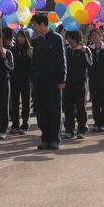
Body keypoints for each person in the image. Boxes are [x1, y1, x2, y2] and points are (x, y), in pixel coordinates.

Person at [29, 13, 67, 150]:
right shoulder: (37, 41)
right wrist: (32, 79)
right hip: (39, 81)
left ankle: (55, 139)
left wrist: (61, 79)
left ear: (42, 24)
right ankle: (44, 138)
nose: (34, 28)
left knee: (54, 110)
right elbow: (34, 62)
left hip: (53, 82)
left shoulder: (57, 39)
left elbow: (61, 60)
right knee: (42, 111)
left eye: (35, 25)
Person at [63, 30, 93, 139]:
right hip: (68, 83)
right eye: (68, 38)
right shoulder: (66, 51)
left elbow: (89, 64)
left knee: (81, 107)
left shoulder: (84, 49)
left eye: (71, 38)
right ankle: (69, 130)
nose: (69, 41)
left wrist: (83, 52)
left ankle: (82, 129)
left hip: (80, 83)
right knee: (68, 107)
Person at [10, 29, 33, 134]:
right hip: (14, 80)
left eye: (22, 36)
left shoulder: (30, 50)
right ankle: (15, 125)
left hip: (26, 80)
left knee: (25, 103)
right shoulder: (13, 50)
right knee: (14, 103)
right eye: (18, 36)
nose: (20, 38)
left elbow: (33, 66)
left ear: (27, 38)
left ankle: (25, 125)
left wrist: (30, 57)